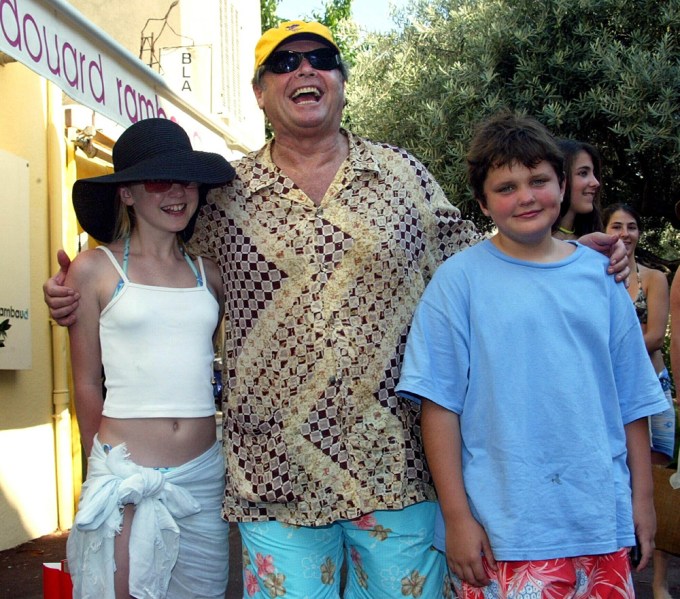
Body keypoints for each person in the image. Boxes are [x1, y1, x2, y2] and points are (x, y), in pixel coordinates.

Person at [44, 22, 631, 599]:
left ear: (342, 80)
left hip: (396, 468)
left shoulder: (403, 174)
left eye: (321, 59)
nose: (304, 70)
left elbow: (475, 259)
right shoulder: (222, 195)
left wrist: (566, 251)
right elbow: (155, 271)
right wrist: (79, 291)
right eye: (284, 63)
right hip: (274, 475)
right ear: (260, 92)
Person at [396, 112, 668, 598]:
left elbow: (632, 400)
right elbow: (439, 408)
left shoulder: (603, 279)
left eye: (539, 180)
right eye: (506, 187)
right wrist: (457, 518)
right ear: (482, 202)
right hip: (503, 530)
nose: (525, 197)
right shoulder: (457, 283)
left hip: (598, 518)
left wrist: (642, 501)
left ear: (562, 186)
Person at [63, 118, 235, 599]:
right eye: (160, 180)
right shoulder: (95, 268)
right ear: (127, 194)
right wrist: (99, 468)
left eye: (186, 178)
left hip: (202, 477)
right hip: (125, 475)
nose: (177, 191)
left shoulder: (211, 275)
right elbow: (85, 383)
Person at [606, 203, 679, 599]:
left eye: (632, 226)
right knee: (624, 473)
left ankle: (662, 581)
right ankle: (622, 562)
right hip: (612, 394)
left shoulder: (653, 277)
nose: (625, 233)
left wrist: (613, 347)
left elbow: (654, 335)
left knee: (657, 482)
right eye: (617, 225)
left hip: (652, 387)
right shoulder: (600, 272)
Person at [553, 139, 603, 239]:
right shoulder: (531, 243)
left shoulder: (596, 244)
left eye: (594, 173)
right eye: (583, 173)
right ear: (560, 180)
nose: (596, 183)